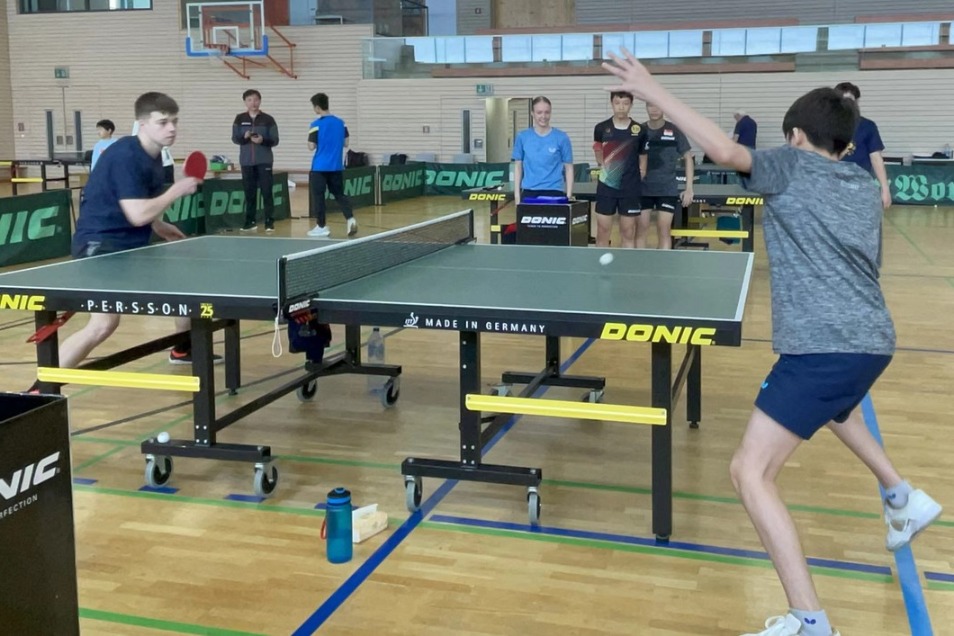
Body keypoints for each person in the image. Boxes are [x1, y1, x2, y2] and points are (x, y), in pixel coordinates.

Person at [605, 50, 942, 636]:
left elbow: (724, 151)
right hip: (870, 341)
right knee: (836, 408)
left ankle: (810, 620)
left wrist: (651, 89)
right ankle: (900, 495)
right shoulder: (863, 185)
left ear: (795, 137)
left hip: (822, 347)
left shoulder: (790, 165)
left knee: (749, 472)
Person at [52, 92, 214, 374]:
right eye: (162, 122)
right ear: (142, 123)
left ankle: (182, 348)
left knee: (186, 284)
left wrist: (159, 225)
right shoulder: (126, 156)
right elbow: (137, 213)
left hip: (127, 246)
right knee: (103, 324)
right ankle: (39, 390)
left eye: (174, 121)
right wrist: (176, 190)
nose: (171, 128)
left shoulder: (154, 156)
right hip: (99, 248)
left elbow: (137, 204)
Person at [835, 82, 891, 266]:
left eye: (851, 101)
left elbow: (876, 158)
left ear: (857, 102)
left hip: (860, 187)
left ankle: (866, 264)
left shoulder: (867, 126)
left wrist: (884, 189)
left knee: (865, 229)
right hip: (833, 186)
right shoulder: (828, 126)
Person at [592, 91, 647, 248]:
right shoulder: (601, 128)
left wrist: (639, 175)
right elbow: (598, 152)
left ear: (631, 105)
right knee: (603, 230)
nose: (621, 107)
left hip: (630, 188)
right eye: (617, 103)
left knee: (628, 232)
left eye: (625, 103)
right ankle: (601, 261)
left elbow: (643, 157)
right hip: (607, 187)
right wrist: (607, 168)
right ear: (612, 104)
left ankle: (626, 263)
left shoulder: (640, 130)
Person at [637, 102, 693, 249]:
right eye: (650, 106)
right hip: (642, 188)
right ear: (646, 108)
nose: (654, 110)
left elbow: (688, 157)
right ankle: (639, 262)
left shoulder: (674, 130)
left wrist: (689, 188)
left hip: (667, 189)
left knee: (664, 229)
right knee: (641, 229)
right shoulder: (639, 131)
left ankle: (663, 262)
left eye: (658, 106)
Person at [306, 92, 356, 238]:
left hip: (319, 167)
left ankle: (321, 226)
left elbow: (311, 146)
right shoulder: (341, 123)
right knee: (339, 194)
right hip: (336, 167)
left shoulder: (316, 124)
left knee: (319, 196)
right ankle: (350, 219)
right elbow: (346, 143)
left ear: (317, 107)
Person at [231, 89, 280, 232]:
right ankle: (250, 221)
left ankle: (269, 221)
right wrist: (245, 137)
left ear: (260, 101)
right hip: (246, 162)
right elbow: (235, 139)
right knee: (249, 193)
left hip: (264, 161)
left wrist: (262, 140)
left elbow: (275, 140)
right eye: (250, 100)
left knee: (266, 192)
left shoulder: (268, 119)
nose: (253, 103)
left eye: (256, 100)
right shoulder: (239, 119)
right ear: (245, 102)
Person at [512, 96, 574, 205]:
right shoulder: (522, 137)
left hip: (554, 192)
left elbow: (569, 168)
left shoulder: (561, 137)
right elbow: (518, 167)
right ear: (532, 113)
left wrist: (568, 195)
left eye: (547, 112)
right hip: (529, 192)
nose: (543, 116)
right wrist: (517, 196)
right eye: (539, 112)